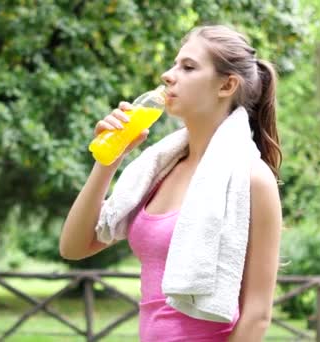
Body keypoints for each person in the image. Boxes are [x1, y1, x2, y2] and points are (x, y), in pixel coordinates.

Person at [59, 24, 282, 342]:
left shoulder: (252, 179)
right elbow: (73, 246)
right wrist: (108, 159)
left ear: (226, 85)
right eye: (174, 64)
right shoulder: (157, 172)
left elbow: (257, 317)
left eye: (188, 67)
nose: (168, 75)